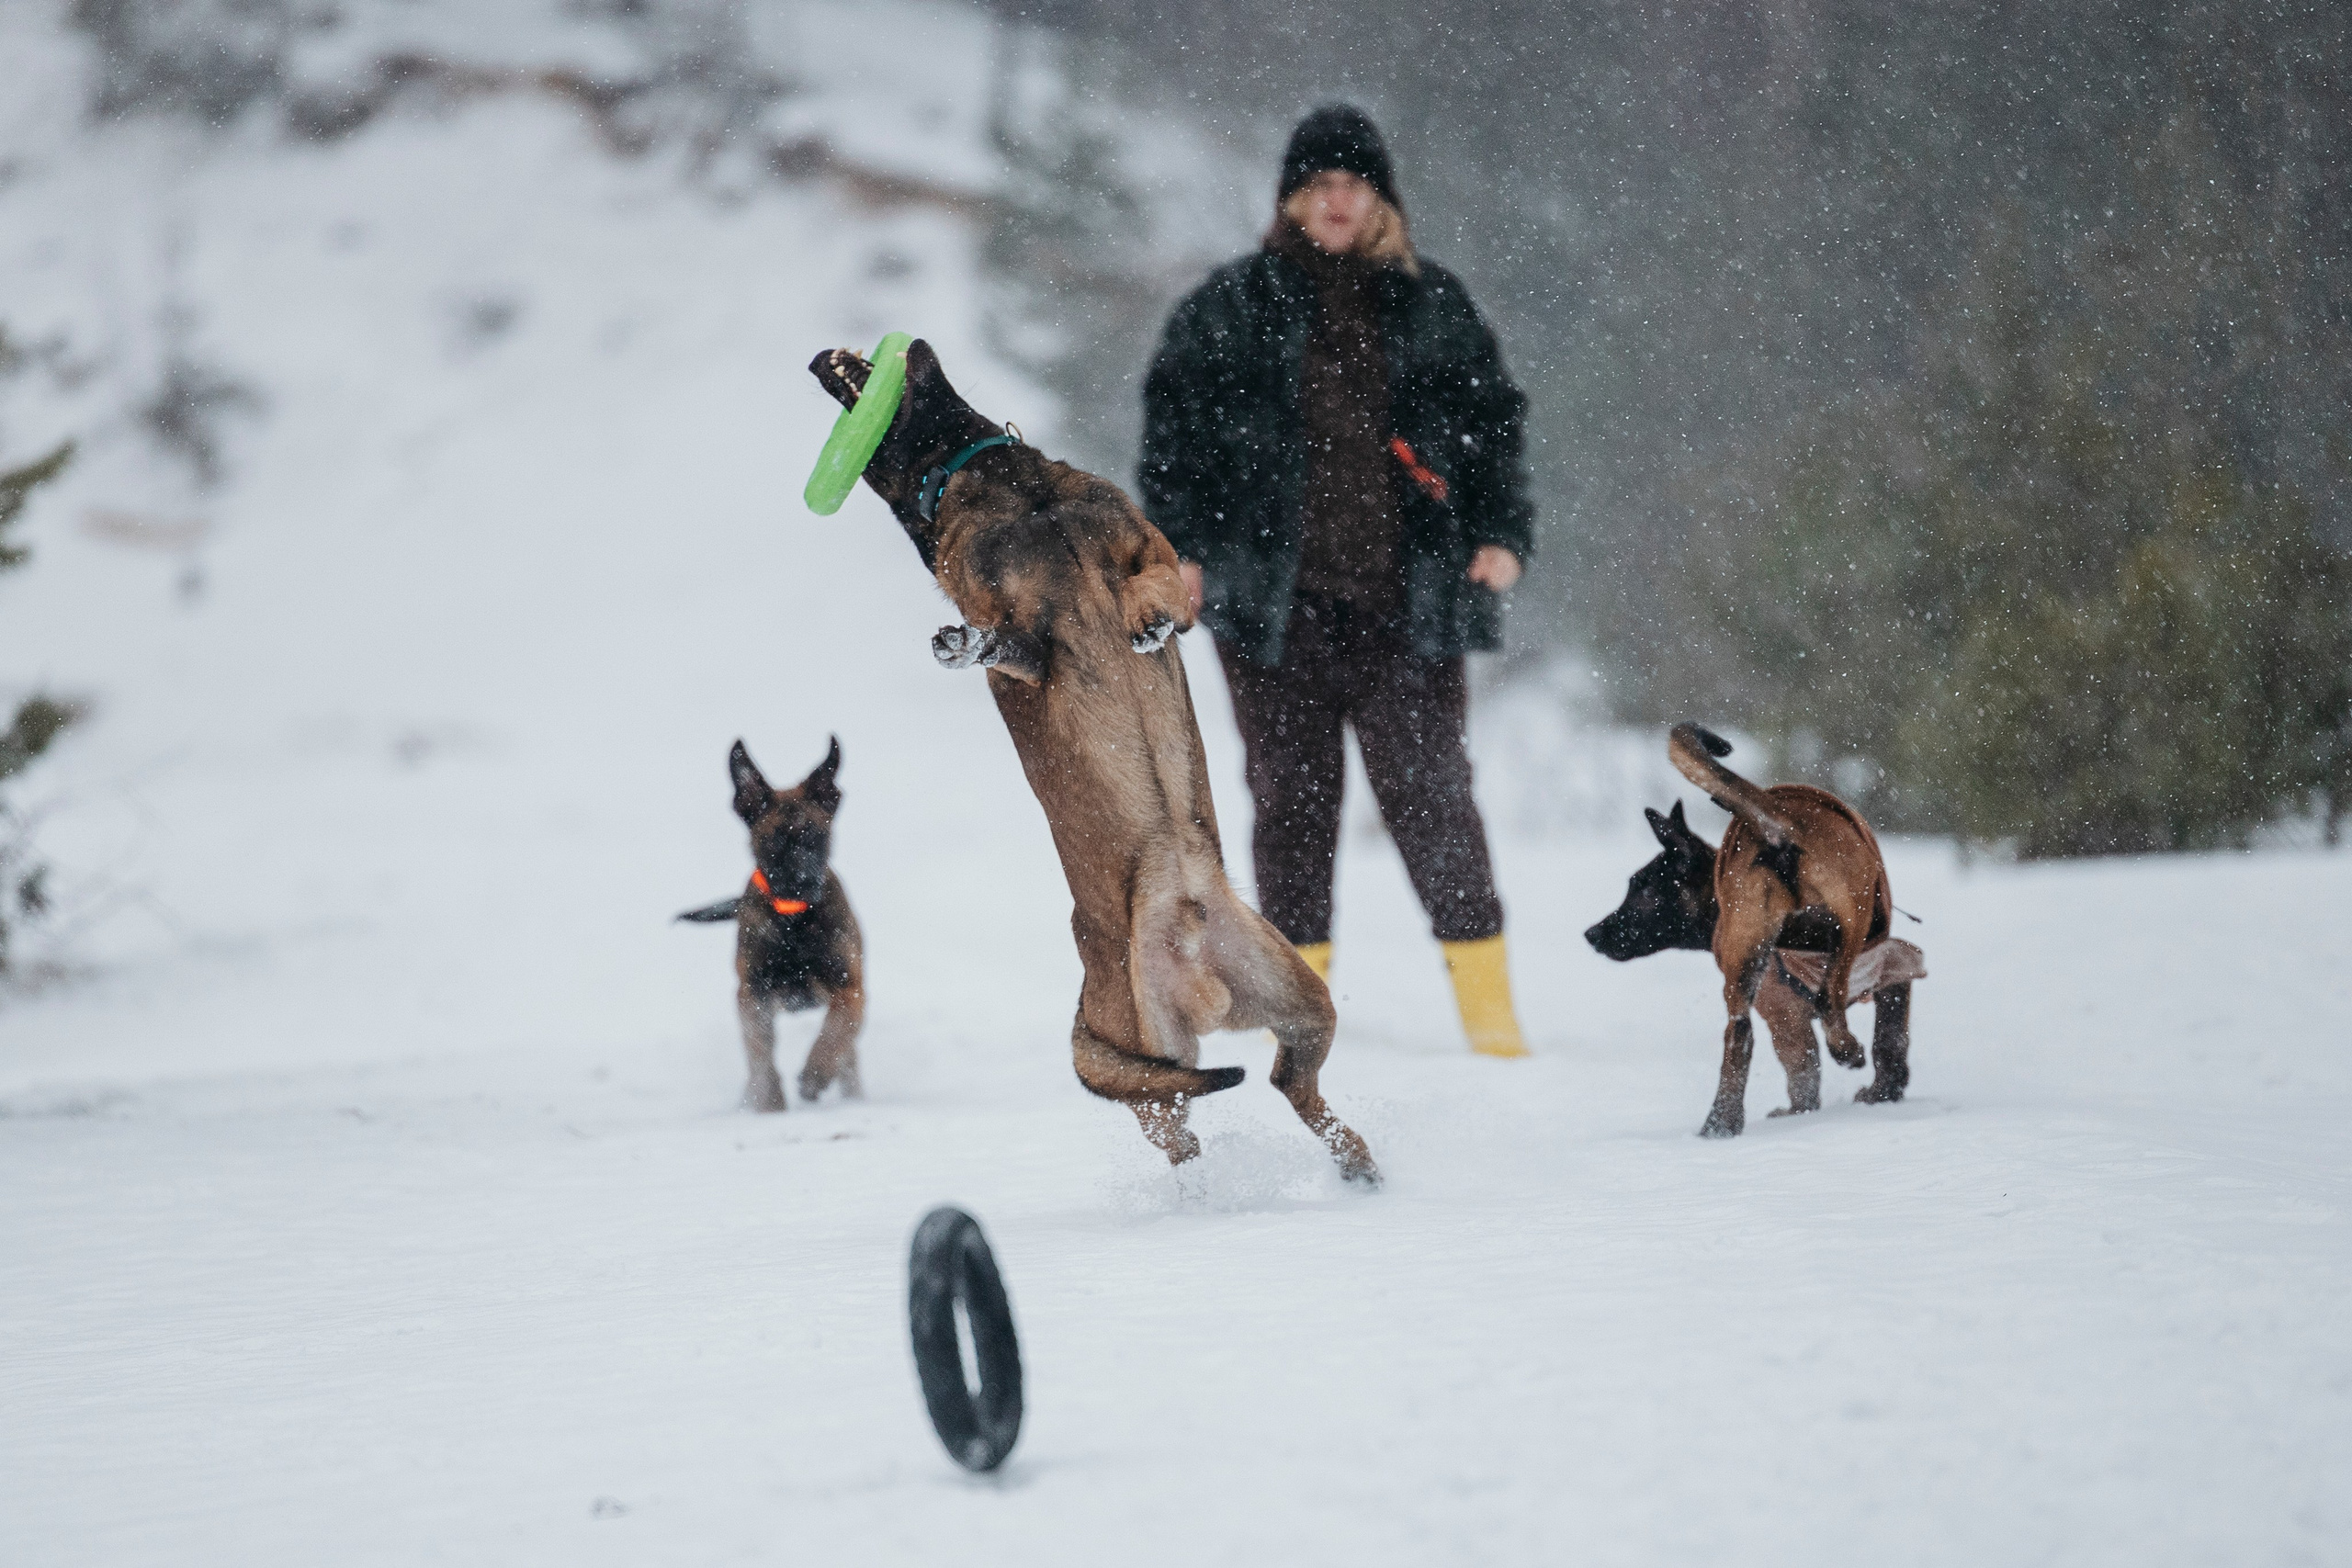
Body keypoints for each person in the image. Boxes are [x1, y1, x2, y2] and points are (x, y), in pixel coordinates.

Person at [1139, 105, 1534, 1058]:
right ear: (1289, 200)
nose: (1335, 201)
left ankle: (1493, 1025)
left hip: (1409, 609)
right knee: (1290, 813)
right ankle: (1301, 1019)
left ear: (1381, 199)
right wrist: (1179, 549)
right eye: (1316, 185)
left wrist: (1500, 534)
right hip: (1272, 616)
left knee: (1434, 800)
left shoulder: (1435, 307)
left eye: (1352, 184)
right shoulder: (1227, 308)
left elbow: (1495, 427)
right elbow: (1172, 442)